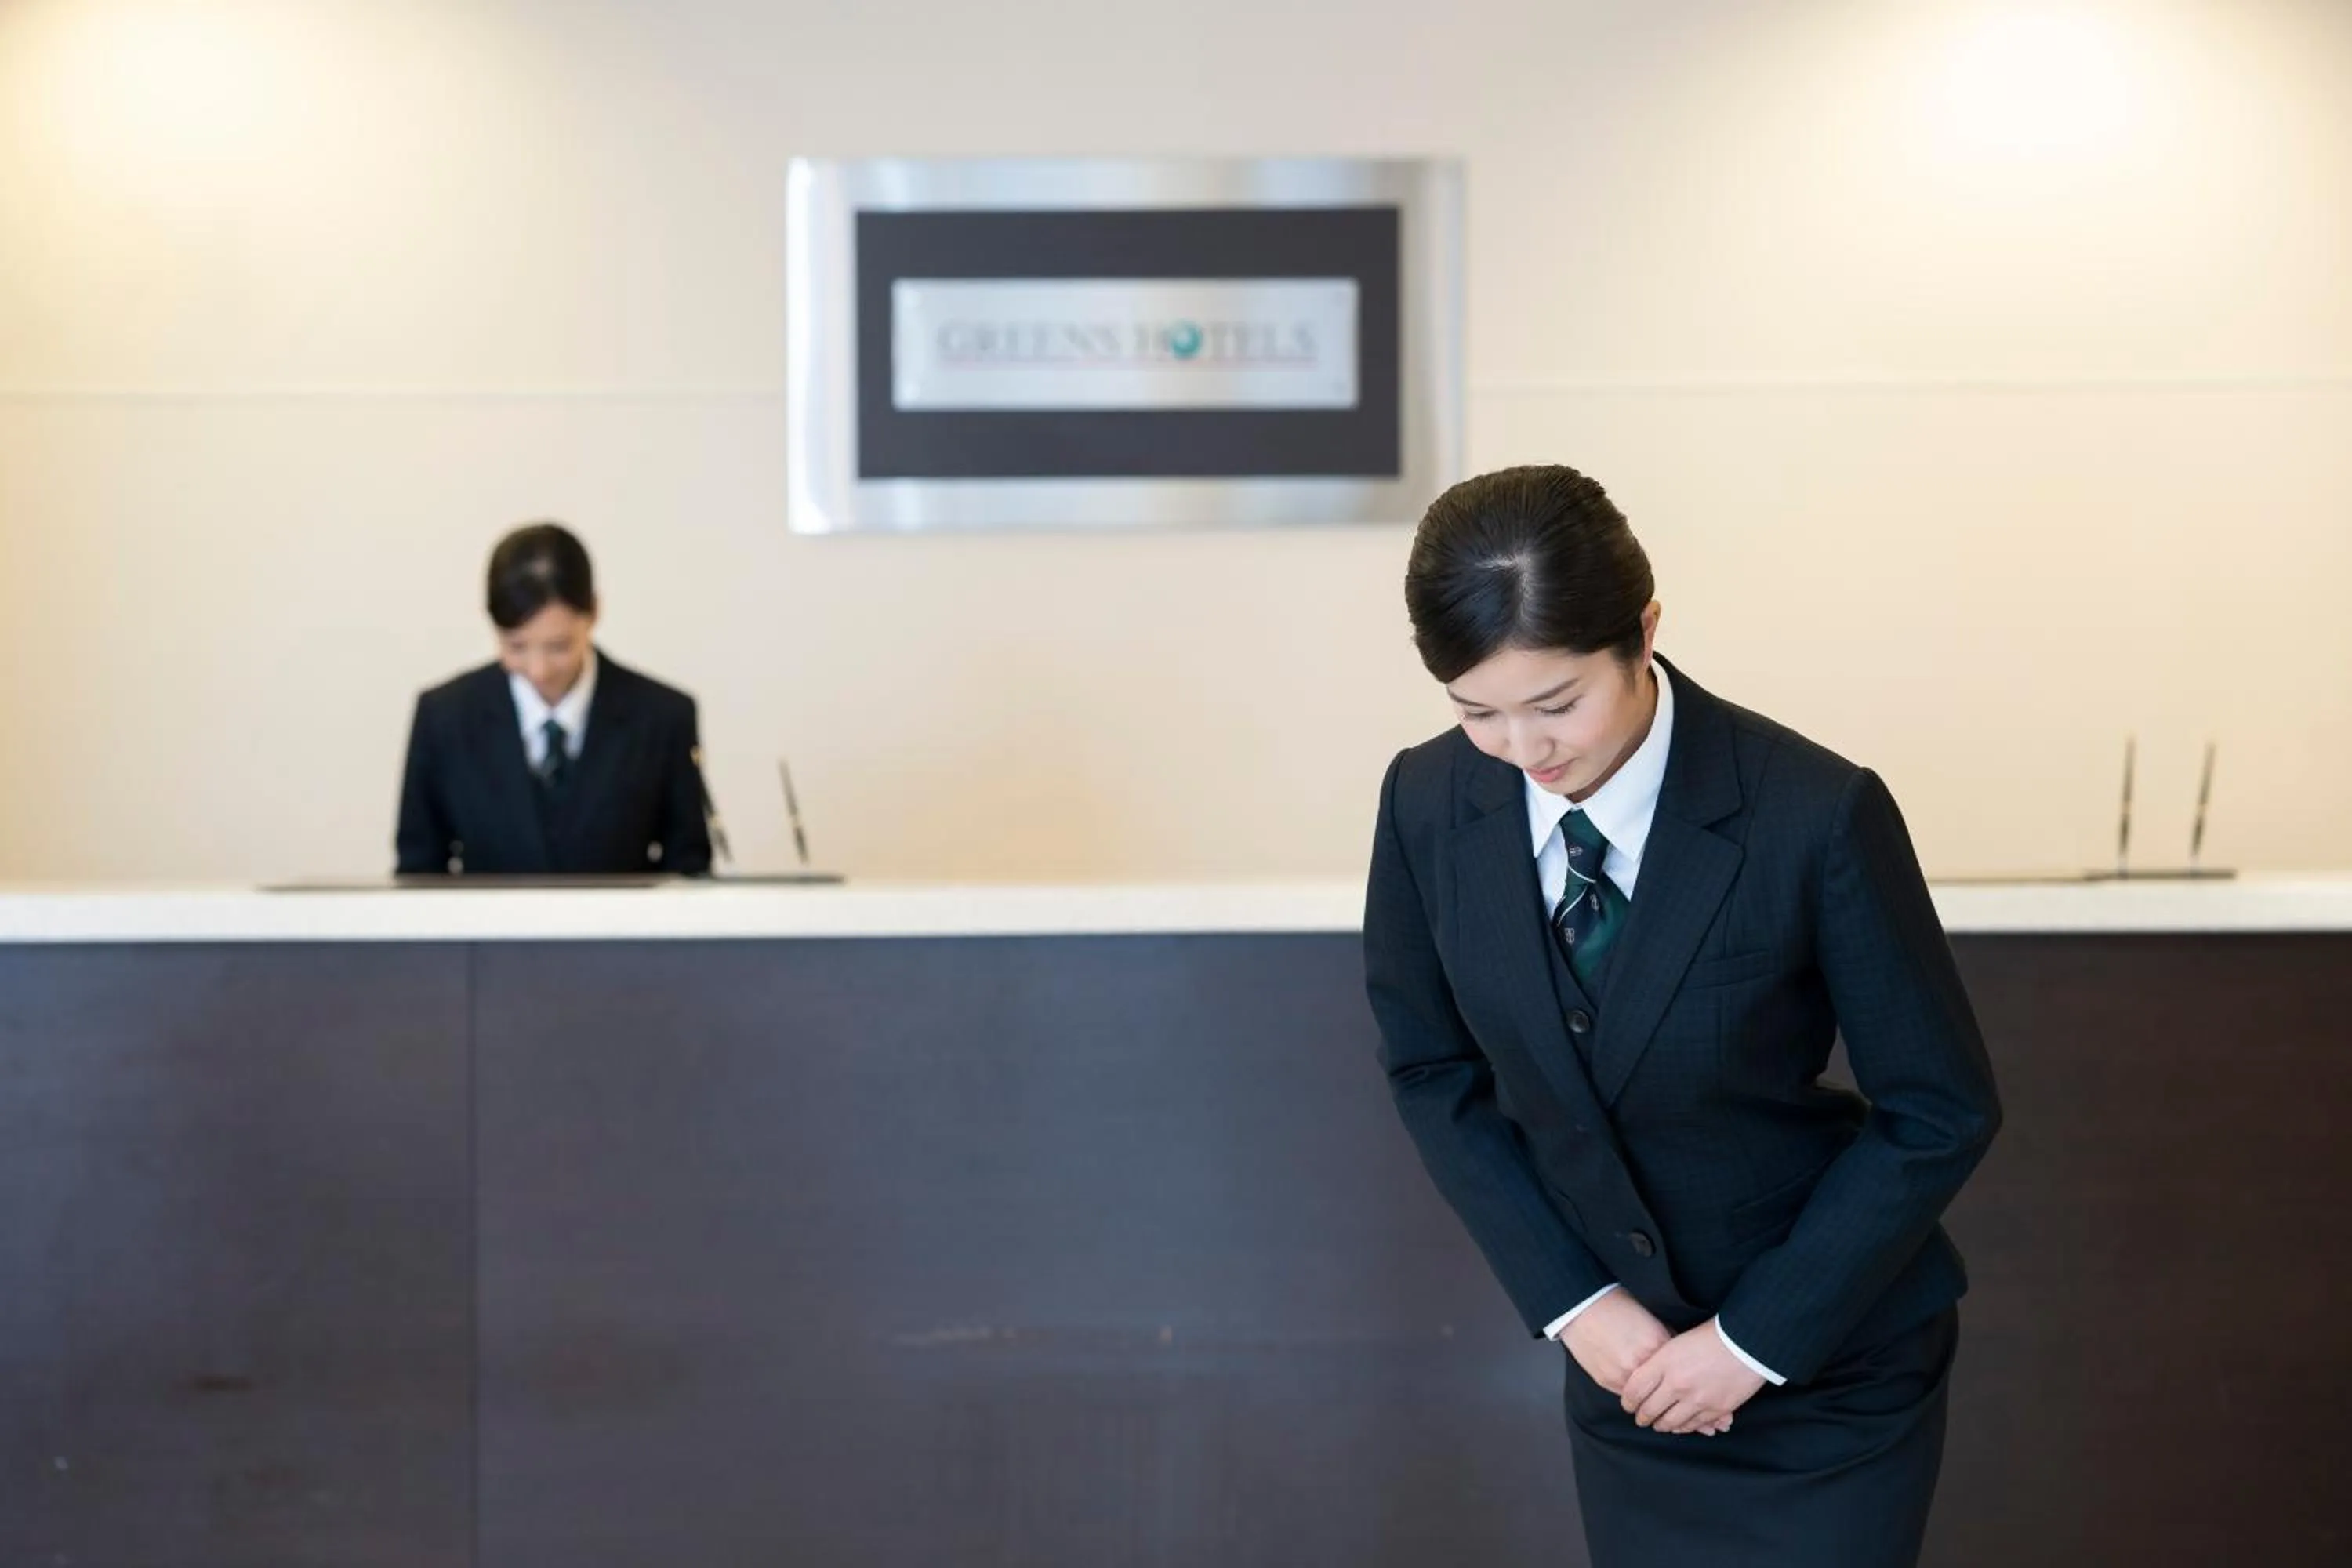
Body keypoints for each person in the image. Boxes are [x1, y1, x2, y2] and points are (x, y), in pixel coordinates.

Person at [1362, 465, 2001, 1566]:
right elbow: (1432, 1072)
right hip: (1629, 1370)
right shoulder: (1427, 802)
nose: (1526, 749)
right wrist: (1576, 1303)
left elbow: (1937, 1110)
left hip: (1827, 1364)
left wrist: (1754, 1342)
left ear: (1644, 633)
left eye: (1557, 704)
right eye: (1479, 712)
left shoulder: (1814, 811)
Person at [394, 522, 713, 877]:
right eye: (516, 647)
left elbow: (688, 870)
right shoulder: (444, 718)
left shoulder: (663, 718)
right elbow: (418, 873)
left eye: (558, 646)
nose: (539, 670)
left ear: (594, 612)